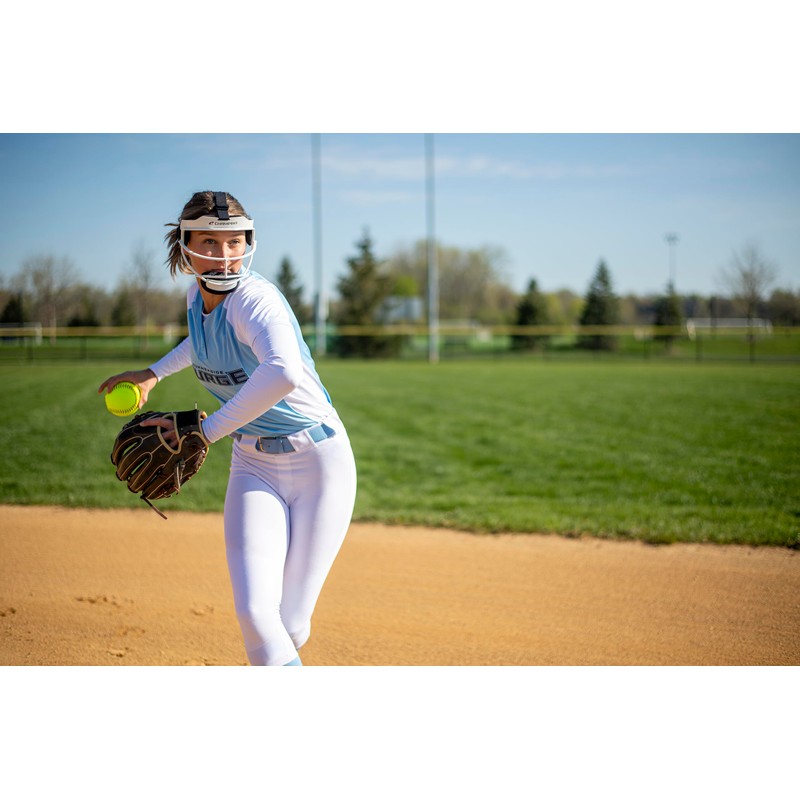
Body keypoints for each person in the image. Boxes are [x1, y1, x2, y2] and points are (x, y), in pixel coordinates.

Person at [99, 190, 357, 666]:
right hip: (253, 465)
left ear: (249, 243)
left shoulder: (256, 301)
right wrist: (153, 374)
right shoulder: (199, 301)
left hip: (320, 463)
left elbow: (283, 372)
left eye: (235, 242)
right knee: (257, 614)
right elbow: (199, 342)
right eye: (211, 243)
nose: (225, 256)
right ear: (185, 245)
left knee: (291, 624)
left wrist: (206, 431)